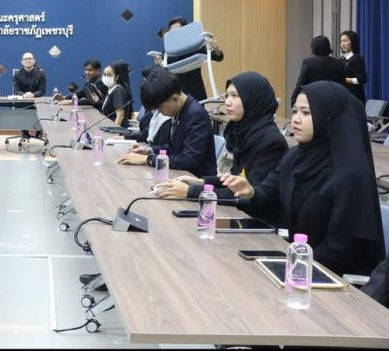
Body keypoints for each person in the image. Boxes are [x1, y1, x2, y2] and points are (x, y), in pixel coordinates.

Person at [221, 81, 385, 275]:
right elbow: (268, 193)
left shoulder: (352, 174)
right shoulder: (294, 157)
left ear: (329, 118)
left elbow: (340, 251)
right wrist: (251, 192)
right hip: (300, 265)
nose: (296, 120)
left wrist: (289, 266)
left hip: (335, 278)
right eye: (295, 111)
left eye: (306, 113)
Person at [153, 72, 288, 225]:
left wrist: (190, 192)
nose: (227, 102)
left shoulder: (271, 142)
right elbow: (235, 179)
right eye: (227, 96)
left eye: (235, 96)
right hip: (240, 214)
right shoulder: (244, 131)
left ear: (253, 99)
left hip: (259, 223)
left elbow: (246, 192)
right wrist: (199, 182)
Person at [118, 67, 216, 178]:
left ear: (175, 98)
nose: (159, 112)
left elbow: (188, 160)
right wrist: (149, 151)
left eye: (160, 108)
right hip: (178, 175)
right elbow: (173, 148)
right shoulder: (179, 111)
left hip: (196, 180)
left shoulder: (195, 115)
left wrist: (147, 159)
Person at [153, 16, 224, 102]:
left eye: (178, 31)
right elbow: (164, 72)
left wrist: (216, 49)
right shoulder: (168, 51)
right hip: (176, 95)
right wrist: (159, 64)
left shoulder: (194, 46)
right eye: (172, 33)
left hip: (196, 93)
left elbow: (218, 57)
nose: (176, 34)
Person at [290, 35, 345, 107]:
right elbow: (342, 84)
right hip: (333, 101)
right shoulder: (339, 63)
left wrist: (294, 99)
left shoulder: (308, 62)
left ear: (314, 48)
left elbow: (301, 82)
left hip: (314, 100)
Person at [90, 61, 132, 127]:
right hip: (108, 125)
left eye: (109, 75)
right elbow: (110, 108)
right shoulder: (110, 89)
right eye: (104, 74)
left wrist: (114, 131)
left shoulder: (118, 90)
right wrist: (98, 101)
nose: (106, 77)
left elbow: (120, 116)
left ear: (117, 77)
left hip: (117, 130)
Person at [340, 30, 367, 105]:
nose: (342, 44)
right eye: (341, 41)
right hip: (343, 95)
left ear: (353, 42)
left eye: (345, 41)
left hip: (355, 96)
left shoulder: (357, 58)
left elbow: (361, 79)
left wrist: (344, 79)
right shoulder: (341, 59)